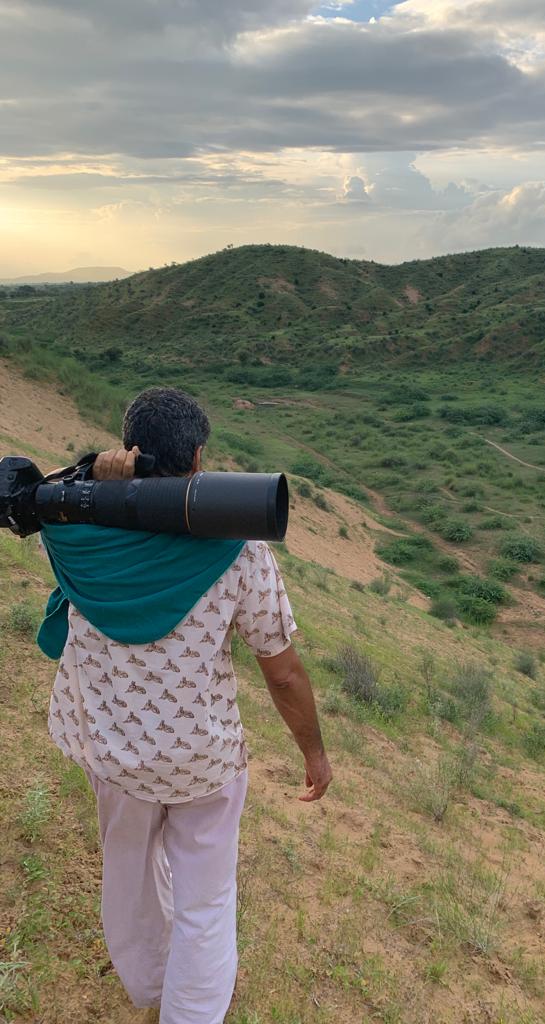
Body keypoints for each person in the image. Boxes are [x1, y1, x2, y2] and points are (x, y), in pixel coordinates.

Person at [39, 387, 332, 1024]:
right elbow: (282, 673)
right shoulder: (240, 547)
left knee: (130, 879)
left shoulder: (75, 532)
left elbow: (31, 497)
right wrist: (314, 753)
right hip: (203, 759)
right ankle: (190, 1011)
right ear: (199, 458)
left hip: (115, 753)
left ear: (128, 450)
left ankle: (149, 986)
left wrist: (92, 474)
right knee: (206, 900)